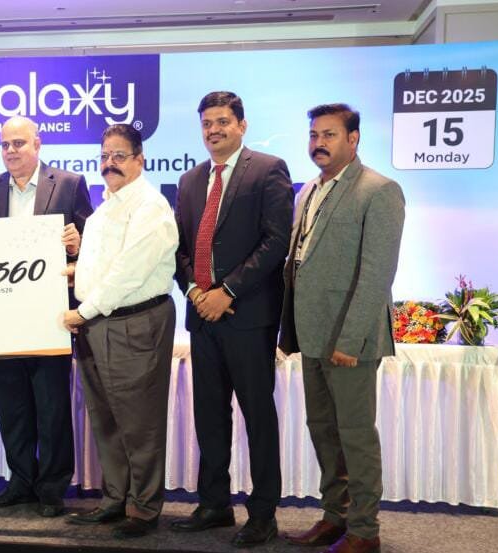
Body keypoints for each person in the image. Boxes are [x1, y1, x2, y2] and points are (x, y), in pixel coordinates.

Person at [170, 91, 293, 547]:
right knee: (210, 415)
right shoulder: (189, 180)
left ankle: (263, 514)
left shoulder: (268, 169)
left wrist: (228, 292)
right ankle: (214, 504)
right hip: (202, 317)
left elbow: (276, 241)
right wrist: (195, 291)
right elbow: (180, 248)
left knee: (257, 416)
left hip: (248, 317)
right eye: (207, 123)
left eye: (222, 121)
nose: (213, 130)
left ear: (242, 125)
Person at [280, 104, 405, 553]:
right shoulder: (308, 190)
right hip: (312, 334)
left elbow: (376, 275)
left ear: (353, 139)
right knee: (323, 431)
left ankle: (365, 531)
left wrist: (350, 340)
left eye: (329, 134)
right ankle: (335, 518)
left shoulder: (379, 190)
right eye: (314, 134)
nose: (319, 143)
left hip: (350, 340)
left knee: (355, 436)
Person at [62, 124, 177, 539]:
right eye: (105, 156)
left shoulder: (150, 206)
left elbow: (129, 272)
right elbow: (104, 265)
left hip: (133, 322)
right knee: (107, 419)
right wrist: (74, 272)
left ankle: (143, 509)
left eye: (120, 156)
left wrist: (83, 311)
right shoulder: (107, 205)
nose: (110, 164)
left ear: (140, 160)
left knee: (139, 422)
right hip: (99, 324)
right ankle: (115, 499)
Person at [0, 115, 92, 517]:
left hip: (51, 317)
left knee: (52, 407)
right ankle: (21, 481)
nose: (11, 151)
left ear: (38, 144)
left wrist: (78, 245)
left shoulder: (70, 184)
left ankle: (52, 487)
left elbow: (94, 247)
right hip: (4, 318)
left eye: (19, 143)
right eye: (5, 144)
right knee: (13, 407)